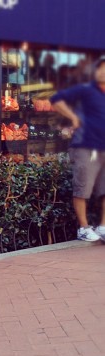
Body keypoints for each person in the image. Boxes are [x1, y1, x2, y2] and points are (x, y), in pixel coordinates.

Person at [50, 56, 105, 242]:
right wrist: (73, 118)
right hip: (86, 146)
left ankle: (103, 227)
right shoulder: (85, 90)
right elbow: (56, 99)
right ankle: (83, 227)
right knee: (83, 187)